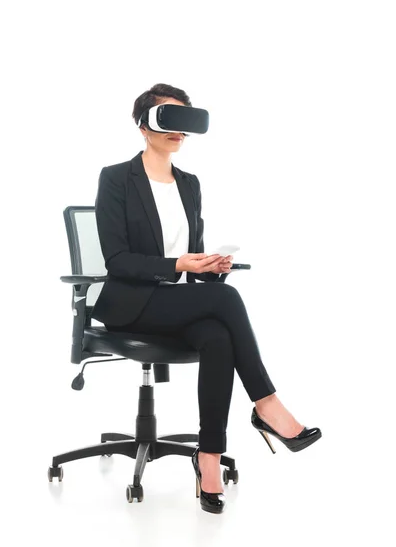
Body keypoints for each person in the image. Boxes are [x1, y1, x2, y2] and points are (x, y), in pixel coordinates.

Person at [92, 83, 322, 514]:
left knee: (218, 335)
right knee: (228, 303)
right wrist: (179, 264)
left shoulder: (190, 184)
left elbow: (190, 253)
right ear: (144, 126)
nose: (179, 129)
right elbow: (118, 260)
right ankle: (268, 406)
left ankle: (209, 458)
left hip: (181, 303)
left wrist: (209, 266)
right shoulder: (116, 178)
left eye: (185, 119)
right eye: (168, 117)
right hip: (132, 305)